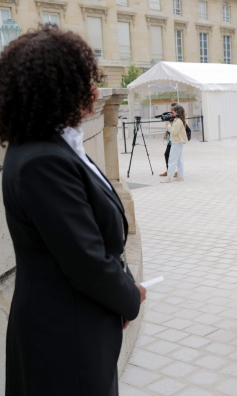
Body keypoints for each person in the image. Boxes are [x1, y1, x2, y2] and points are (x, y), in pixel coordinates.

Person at [0, 25, 145, 396]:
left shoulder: (51, 147)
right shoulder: (41, 160)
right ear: (56, 89)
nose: (94, 92)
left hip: (77, 325)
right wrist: (128, 297)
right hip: (63, 337)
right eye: (84, 81)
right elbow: (85, 258)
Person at [161, 104, 188, 183]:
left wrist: (168, 125)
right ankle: (180, 176)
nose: (171, 112)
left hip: (177, 142)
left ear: (177, 112)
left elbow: (174, 131)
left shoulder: (178, 121)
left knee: (172, 160)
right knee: (179, 160)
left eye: (173, 111)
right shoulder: (178, 120)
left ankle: (169, 178)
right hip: (178, 141)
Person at [159, 102, 179, 178]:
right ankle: (169, 171)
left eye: (172, 109)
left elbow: (175, 129)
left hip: (176, 140)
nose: (171, 111)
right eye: (170, 109)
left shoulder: (178, 118)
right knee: (167, 154)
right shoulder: (172, 116)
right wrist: (168, 131)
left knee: (173, 156)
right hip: (171, 139)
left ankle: (174, 171)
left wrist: (169, 125)